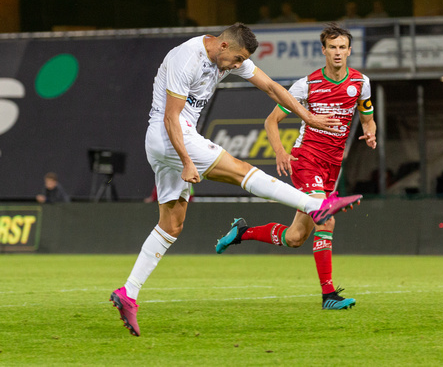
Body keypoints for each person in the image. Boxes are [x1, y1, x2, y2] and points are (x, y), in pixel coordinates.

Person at [110, 22, 363, 336]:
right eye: (238, 59)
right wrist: (188, 161)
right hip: (170, 137)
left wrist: (308, 117)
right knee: (242, 170)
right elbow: (170, 117)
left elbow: (271, 87)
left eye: (243, 61)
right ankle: (315, 206)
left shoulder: (230, 57)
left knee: (171, 225)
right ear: (223, 46)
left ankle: (128, 293)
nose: (239, 66)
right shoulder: (186, 58)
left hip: (166, 144)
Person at [216, 23, 376, 310]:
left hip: (332, 168)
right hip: (307, 160)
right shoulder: (308, 85)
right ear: (324, 50)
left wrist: (371, 131)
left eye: (343, 47)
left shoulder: (361, 83)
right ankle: (329, 296)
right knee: (325, 218)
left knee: (296, 237)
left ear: (349, 51)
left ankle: (242, 232)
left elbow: (367, 117)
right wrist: (280, 151)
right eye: (333, 47)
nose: (338, 52)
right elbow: (271, 121)